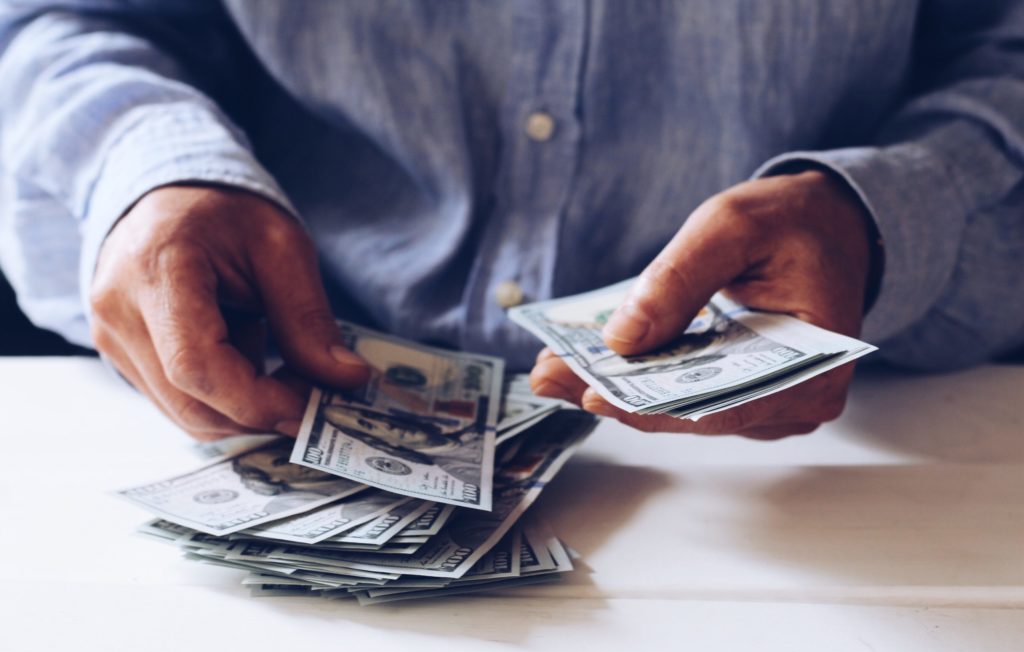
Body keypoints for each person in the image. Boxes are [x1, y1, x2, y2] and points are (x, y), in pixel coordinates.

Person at [1, 2, 1022, 442]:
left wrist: (882, 213)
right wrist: (142, 170)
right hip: (258, 391)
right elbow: (61, 17)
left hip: (852, 444)